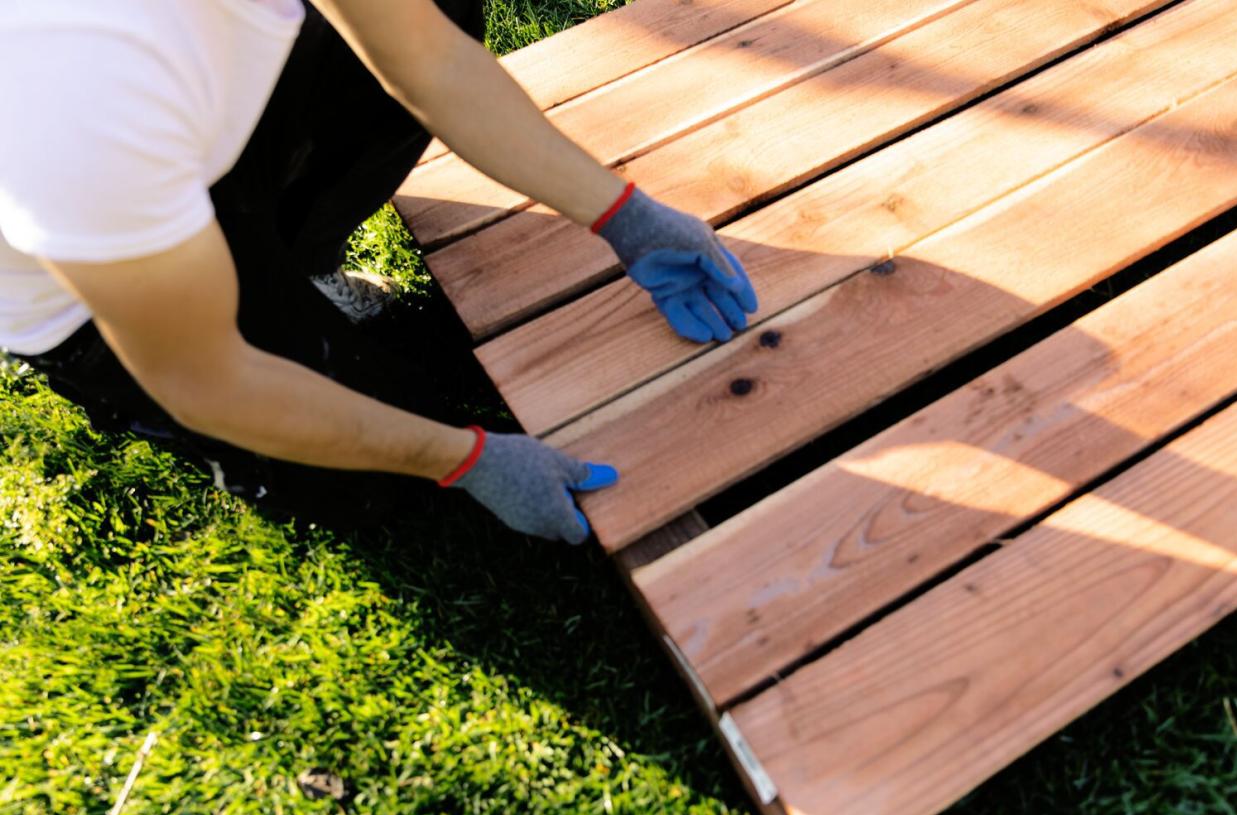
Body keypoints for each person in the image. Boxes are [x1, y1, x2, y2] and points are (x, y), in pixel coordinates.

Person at [0, 0, 758, 544]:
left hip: (183, 135)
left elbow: (427, 59)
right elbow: (208, 381)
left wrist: (623, 214)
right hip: (94, 287)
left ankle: (294, 263)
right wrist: (466, 460)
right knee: (365, 478)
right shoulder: (68, 96)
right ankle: (248, 444)